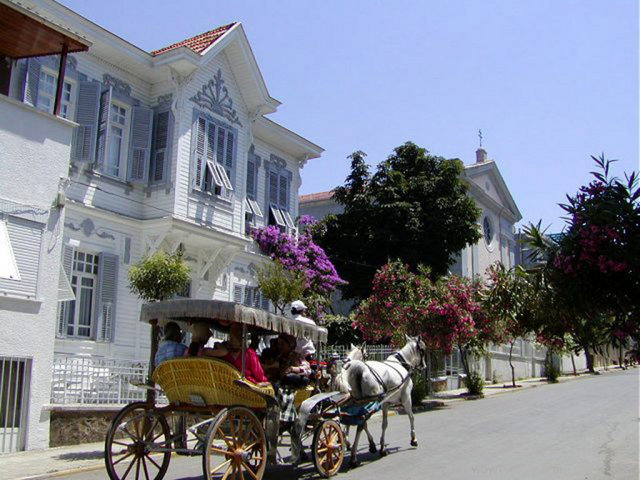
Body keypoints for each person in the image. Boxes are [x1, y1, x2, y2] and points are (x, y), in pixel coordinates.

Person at [201, 323, 269, 386]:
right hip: (230, 387)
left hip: (244, 387)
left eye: (235, 337)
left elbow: (259, 376)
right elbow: (259, 376)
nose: (233, 341)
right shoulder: (224, 353)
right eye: (232, 337)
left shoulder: (249, 354)